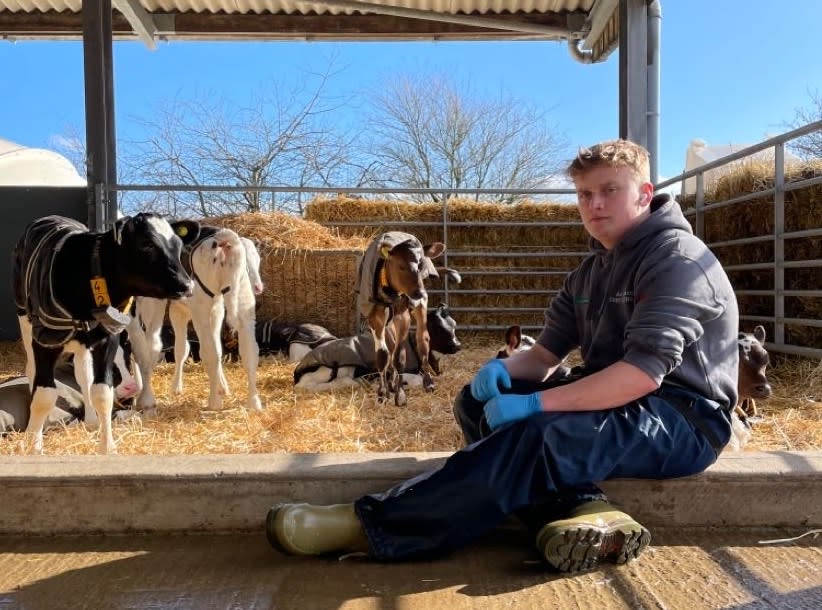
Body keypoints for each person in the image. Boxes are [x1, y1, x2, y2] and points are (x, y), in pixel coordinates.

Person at [265, 139, 740, 573]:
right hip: (618, 397)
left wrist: (537, 406)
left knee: (535, 433)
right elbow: (545, 355)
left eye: (609, 191)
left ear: (644, 193)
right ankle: (581, 510)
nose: (594, 205)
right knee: (475, 404)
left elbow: (640, 375)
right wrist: (498, 371)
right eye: (583, 195)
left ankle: (378, 525)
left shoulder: (677, 261)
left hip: (682, 416)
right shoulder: (591, 272)